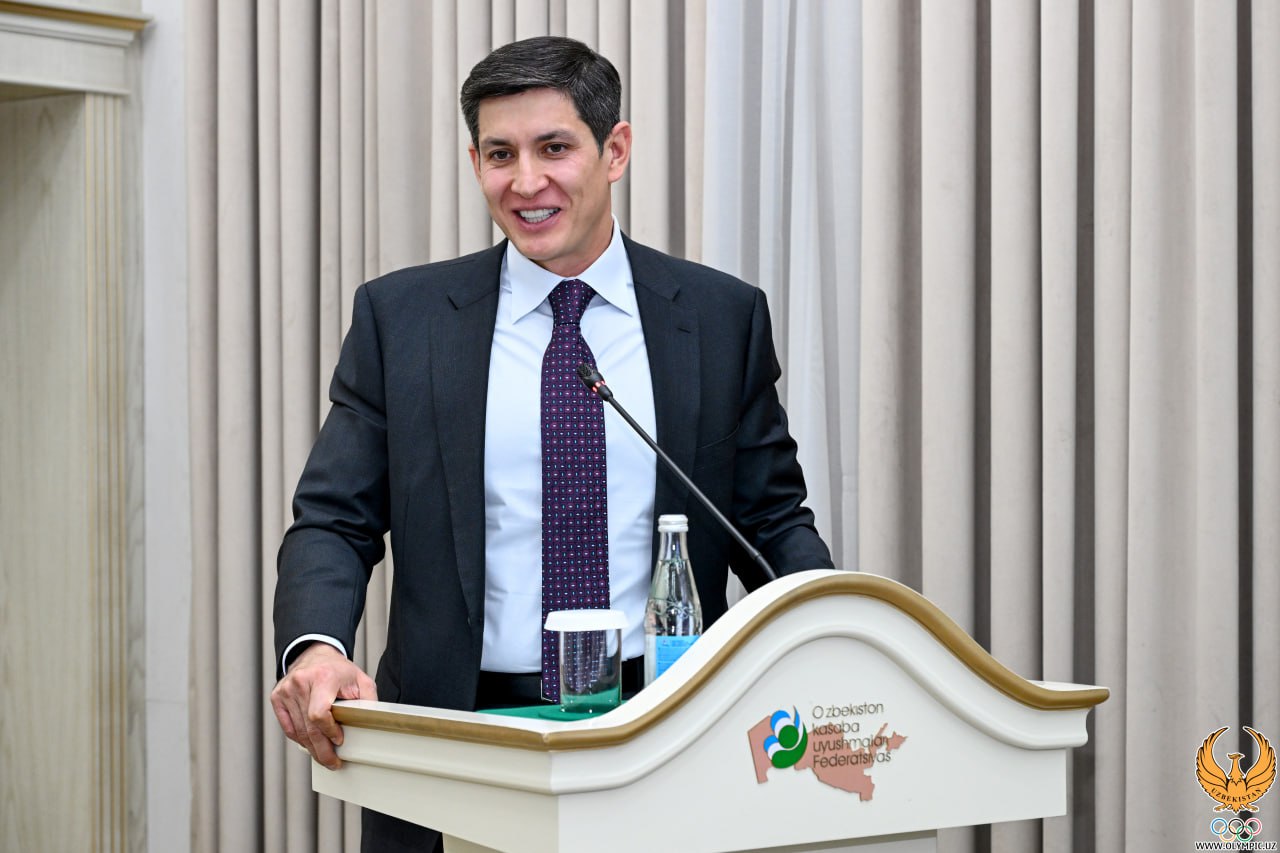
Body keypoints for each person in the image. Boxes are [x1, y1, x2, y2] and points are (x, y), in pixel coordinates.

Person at [270, 35, 834, 852]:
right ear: (475, 162)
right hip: (455, 740)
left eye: (554, 148)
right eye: (500, 154)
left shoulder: (719, 318)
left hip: (666, 737)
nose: (526, 181)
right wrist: (317, 646)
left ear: (616, 151)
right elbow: (333, 518)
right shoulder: (404, 320)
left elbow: (771, 523)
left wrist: (838, 643)